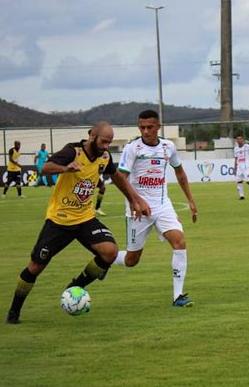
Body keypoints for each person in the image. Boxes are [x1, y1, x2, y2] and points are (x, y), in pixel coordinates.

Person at [5, 122, 151, 324]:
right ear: (92, 136)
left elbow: (116, 176)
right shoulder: (72, 151)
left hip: (85, 219)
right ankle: (14, 311)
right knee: (35, 266)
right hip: (60, 220)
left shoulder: (104, 157)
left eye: (109, 142)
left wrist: (135, 200)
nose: (107, 146)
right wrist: (65, 168)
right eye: (104, 141)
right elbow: (45, 168)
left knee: (109, 251)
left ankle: (76, 286)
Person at [113, 109, 198, 308]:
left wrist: (191, 201)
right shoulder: (132, 148)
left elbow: (180, 173)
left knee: (179, 241)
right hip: (138, 210)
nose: (145, 131)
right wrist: (134, 201)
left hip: (162, 206)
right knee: (132, 260)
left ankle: (178, 296)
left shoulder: (168, 147)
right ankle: (107, 256)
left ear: (158, 127)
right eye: (142, 127)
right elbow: (121, 179)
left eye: (150, 127)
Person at [233, 134, 249, 200]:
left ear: (243, 140)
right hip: (239, 167)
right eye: (237, 139)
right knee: (239, 181)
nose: (239, 140)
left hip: (246, 167)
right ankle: (242, 196)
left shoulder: (247, 147)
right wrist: (235, 167)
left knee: (248, 181)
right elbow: (236, 158)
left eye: (240, 139)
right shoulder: (236, 148)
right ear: (236, 141)